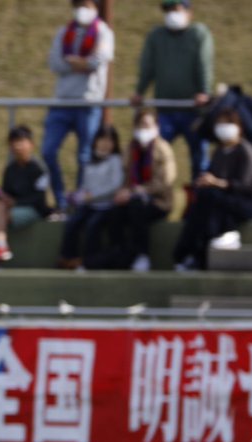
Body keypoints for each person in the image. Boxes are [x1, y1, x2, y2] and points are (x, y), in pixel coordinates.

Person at [42, 0, 115, 212]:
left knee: (85, 156)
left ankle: (80, 203)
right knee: (48, 151)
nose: (81, 8)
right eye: (78, 4)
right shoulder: (65, 31)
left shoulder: (103, 32)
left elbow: (98, 61)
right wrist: (82, 63)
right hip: (62, 101)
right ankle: (61, 201)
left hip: (89, 103)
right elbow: (55, 63)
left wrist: (78, 62)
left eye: (86, 3)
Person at [172, 109, 252, 271]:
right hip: (221, 198)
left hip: (247, 201)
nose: (222, 127)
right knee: (201, 202)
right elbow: (212, 176)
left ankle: (206, 250)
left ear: (238, 127)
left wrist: (215, 183)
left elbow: (244, 185)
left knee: (211, 200)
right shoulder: (219, 152)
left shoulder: (245, 150)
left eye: (227, 123)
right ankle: (186, 253)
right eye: (219, 124)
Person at [132, 0, 215, 178]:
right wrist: (139, 91)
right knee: (154, 155)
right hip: (165, 109)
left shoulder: (198, 33)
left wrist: (204, 92)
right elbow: (148, 67)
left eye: (176, 9)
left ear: (189, 11)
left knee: (200, 160)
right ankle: (152, 198)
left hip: (193, 110)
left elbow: (204, 64)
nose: (172, 14)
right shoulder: (156, 36)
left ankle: (200, 199)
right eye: (168, 9)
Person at [109, 107, 177, 272]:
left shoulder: (163, 149)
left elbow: (166, 181)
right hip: (134, 198)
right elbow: (126, 178)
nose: (143, 129)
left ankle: (142, 255)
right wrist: (122, 192)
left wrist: (138, 191)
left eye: (147, 125)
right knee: (115, 211)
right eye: (140, 125)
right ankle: (118, 254)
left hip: (159, 202)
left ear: (156, 127)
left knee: (136, 207)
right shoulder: (131, 149)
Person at [57, 124, 124, 269]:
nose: (105, 144)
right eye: (102, 139)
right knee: (72, 222)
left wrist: (92, 196)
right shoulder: (90, 162)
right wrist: (76, 195)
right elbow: (85, 187)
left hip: (107, 206)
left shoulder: (115, 160)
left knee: (92, 226)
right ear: (95, 141)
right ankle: (68, 258)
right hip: (89, 205)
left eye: (110, 140)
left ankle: (88, 262)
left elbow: (114, 186)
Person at [0, 126, 53, 263]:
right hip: (12, 207)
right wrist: (3, 197)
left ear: (31, 144)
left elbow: (39, 198)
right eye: (13, 142)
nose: (17, 146)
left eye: (21, 141)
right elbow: (7, 191)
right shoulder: (10, 169)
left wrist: (16, 202)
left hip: (34, 209)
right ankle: (0, 247)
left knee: (0, 217)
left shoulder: (39, 169)